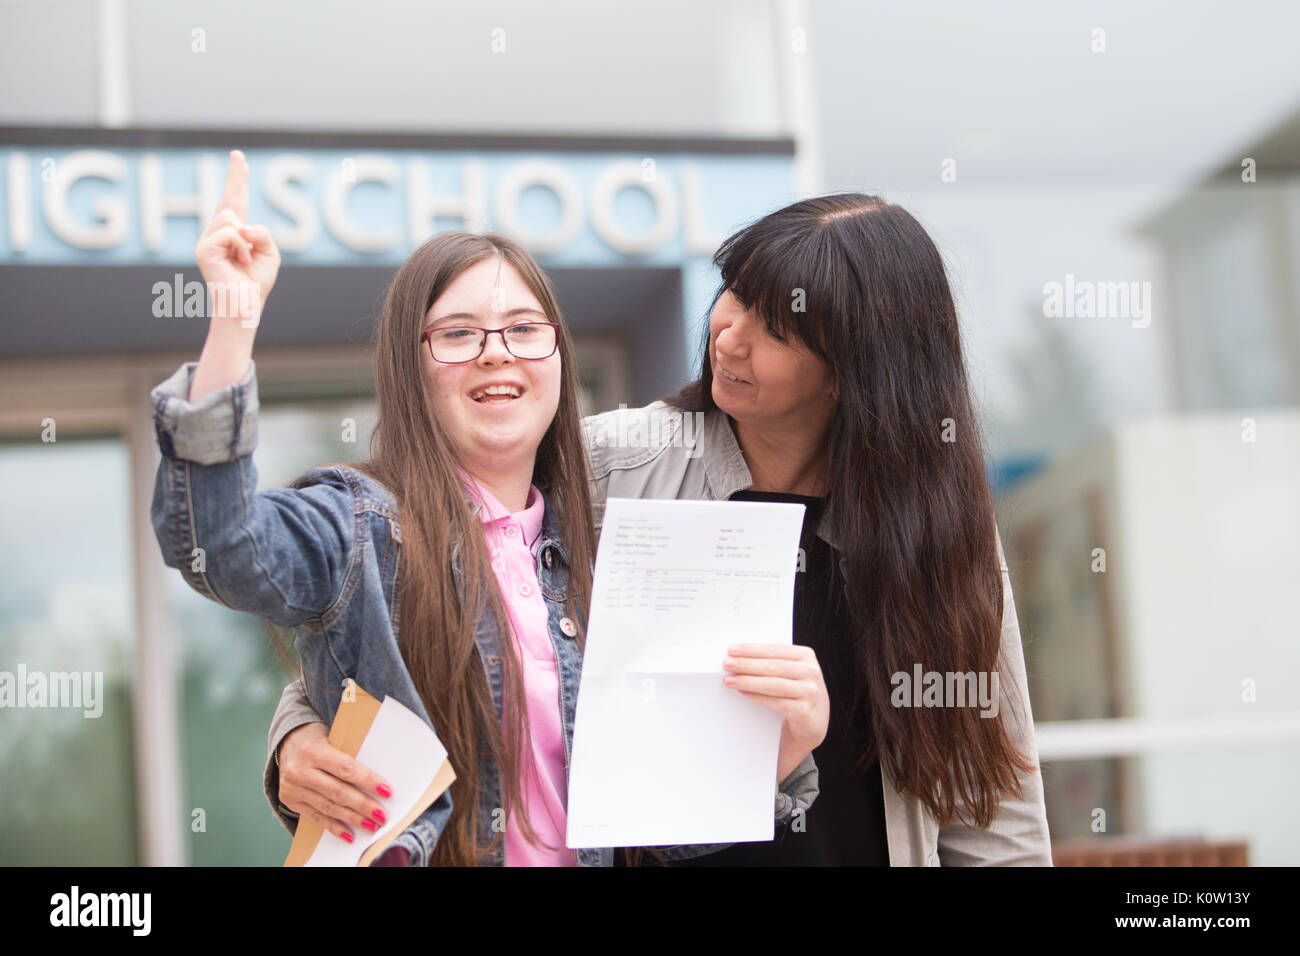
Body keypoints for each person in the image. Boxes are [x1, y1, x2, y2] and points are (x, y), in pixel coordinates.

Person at [270, 192, 1053, 866]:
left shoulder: (941, 534)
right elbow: (393, 590)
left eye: (776, 327)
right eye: (733, 295)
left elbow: (994, 805)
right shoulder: (605, 467)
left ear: (860, 367)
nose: (728, 334)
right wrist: (295, 738)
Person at [150, 150, 826, 867]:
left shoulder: (604, 553)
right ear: (412, 369)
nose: (496, 353)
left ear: (559, 359)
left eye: (525, 329)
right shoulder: (361, 527)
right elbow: (220, 548)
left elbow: (657, 837)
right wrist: (233, 319)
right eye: (458, 333)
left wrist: (782, 748)